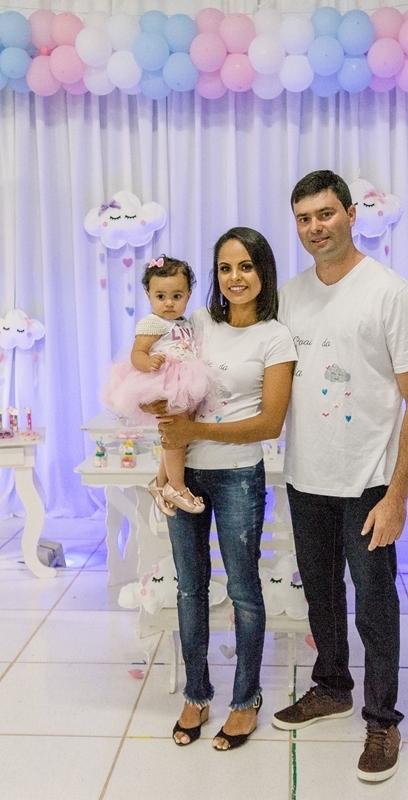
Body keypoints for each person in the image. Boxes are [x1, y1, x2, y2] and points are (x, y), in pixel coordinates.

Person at [272, 170, 408, 783]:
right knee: (320, 594)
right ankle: (332, 686)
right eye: (304, 218)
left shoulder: (390, 293)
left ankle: (382, 718)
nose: (316, 227)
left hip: (369, 480)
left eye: (326, 214)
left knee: (373, 603)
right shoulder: (289, 296)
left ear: (351, 214)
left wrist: (397, 495)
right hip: (305, 476)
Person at [155, 227, 297, 751]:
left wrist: (195, 432)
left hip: (238, 473)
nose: (235, 277)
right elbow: (171, 393)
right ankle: (196, 695)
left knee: (243, 590)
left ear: (263, 272)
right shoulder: (196, 323)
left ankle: (245, 701)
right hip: (185, 474)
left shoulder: (275, 337)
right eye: (224, 268)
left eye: (245, 266)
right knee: (190, 587)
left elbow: (270, 424)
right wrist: (166, 462)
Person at [101, 256, 215, 515]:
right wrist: (148, 362)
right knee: (175, 434)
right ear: (148, 295)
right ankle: (176, 486)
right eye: (161, 296)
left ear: (188, 294)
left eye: (177, 296)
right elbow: (137, 353)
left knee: (178, 434)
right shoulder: (153, 323)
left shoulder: (184, 322)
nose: (169, 303)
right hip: (164, 381)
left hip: (186, 380)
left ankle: (160, 482)